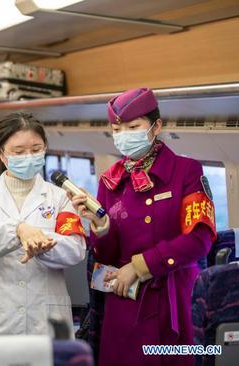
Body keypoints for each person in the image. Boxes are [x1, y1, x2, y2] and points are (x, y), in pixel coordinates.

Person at [70, 88, 216, 366]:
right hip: (125, 299)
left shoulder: (187, 172)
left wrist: (141, 266)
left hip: (174, 298)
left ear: (156, 126)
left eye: (133, 127)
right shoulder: (110, 180)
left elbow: (200, 240)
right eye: (117, 129)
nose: (124, 134)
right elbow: (106, 257)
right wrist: (100, 227)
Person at [0, 112, 86, 335]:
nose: (28, 156)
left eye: (36, 150)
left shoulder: (60, 197)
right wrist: (17, 230)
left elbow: (75, 250)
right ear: (0, 153)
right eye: (19, 152)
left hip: (47, 318)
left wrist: (43, 243)